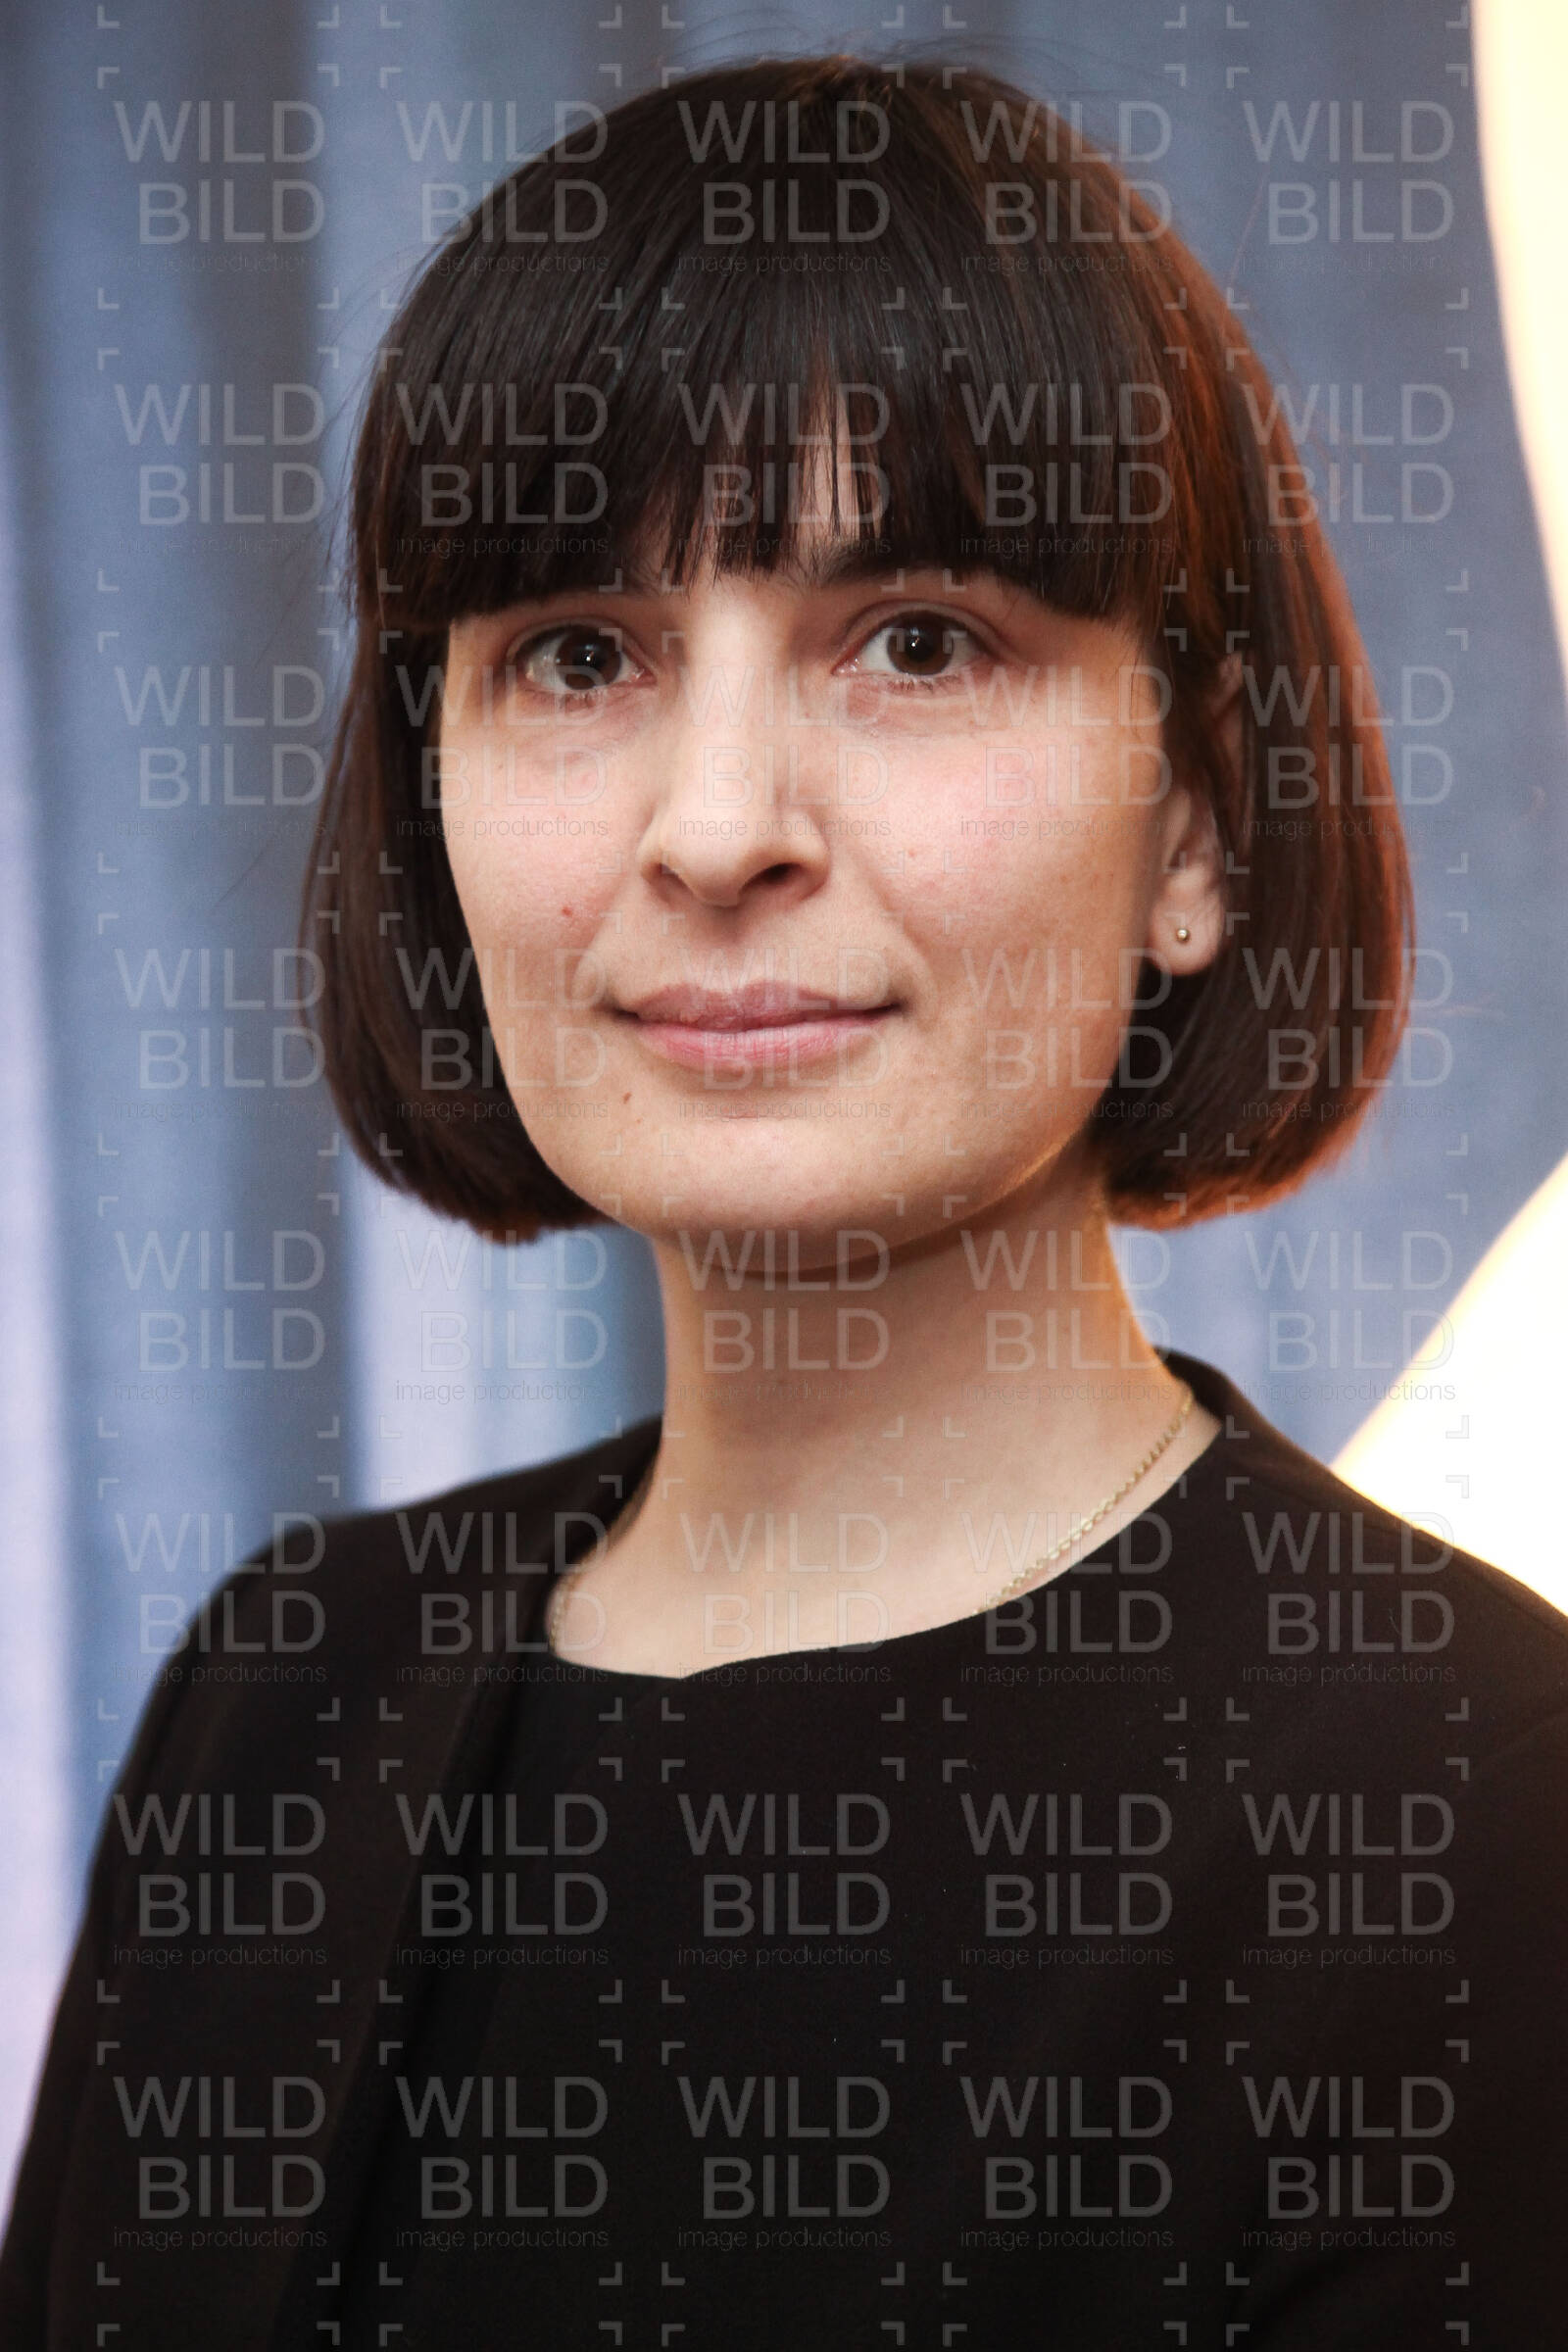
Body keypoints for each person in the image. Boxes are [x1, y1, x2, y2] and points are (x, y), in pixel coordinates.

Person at [4, 50, 1565, 2350]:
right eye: (575, 656)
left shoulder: (1472, 1807)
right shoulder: (281, 1698)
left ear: (1199, 824)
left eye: (916, 640)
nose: (717, 824)